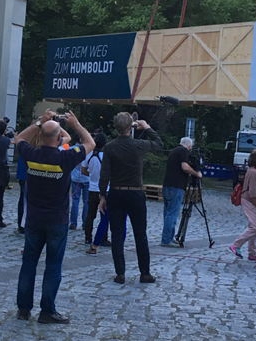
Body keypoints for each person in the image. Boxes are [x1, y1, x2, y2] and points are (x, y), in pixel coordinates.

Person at [15, 110, 93, 324]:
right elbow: (90, 143)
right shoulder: (65, 156)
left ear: (39, 137)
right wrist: (75, 124)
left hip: (34, 219)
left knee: (29, 264)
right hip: (57, 221)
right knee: (53, 266)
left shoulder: (31, 154)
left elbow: (18, 139)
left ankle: (23, 309)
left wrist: (40, 122)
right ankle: (47, 311)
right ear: (60, 138)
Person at [98, 112, 164, 284]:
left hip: (116, 191)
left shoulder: (110, 147)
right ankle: (145, 272)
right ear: (131, 127)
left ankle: (120, 272)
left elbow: (104, 174)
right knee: (140, 233)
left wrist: (102, 195)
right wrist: (147, 127)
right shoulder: (138, 145)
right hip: (135, 192)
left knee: (117, 233)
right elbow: (159, 144)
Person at [160, 137, 202, 247]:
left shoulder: (173, 151)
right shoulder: (183, 151)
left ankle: (169, 236)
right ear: (189, 146)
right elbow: (185, 167)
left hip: (167, 186)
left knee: (168, 213)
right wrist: (196, 173)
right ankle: (166, 240)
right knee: (172, 214)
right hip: (176, 186)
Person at [229, 148, 256, 261]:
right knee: (255, 227)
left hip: (252, 201)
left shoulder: (253, 171)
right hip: (249, 201)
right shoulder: (254, 173)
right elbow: (252, 193)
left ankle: (252, 253)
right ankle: (235, 245)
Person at [83, 133, 108, 247]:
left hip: (92, 188)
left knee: (90, 215)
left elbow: (83, 170)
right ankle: (103, 238)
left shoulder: (89, 155)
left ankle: (88, 237)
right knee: (104, 216)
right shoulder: (107, 156)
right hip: (105, 189)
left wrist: (92, 175)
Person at [69, 147, 89, 230]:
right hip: (86, 179)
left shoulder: (72, 149)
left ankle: (73, 223)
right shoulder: (88, 150)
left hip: (75, 179)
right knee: (86, 202)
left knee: (75, 201)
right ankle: (85, 223)